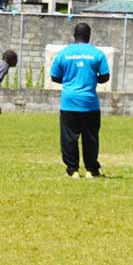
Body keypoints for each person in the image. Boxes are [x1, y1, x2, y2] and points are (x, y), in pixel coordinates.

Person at [50, 23, 110, 178]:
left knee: (69, 138)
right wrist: (92, 78)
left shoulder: (63, 54)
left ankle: (73, 170)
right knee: (90, 138)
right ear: (89, 36)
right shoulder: (97, 54)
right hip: (89, 103)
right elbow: (105, 76)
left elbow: (54, 77)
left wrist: (69, 80)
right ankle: (91, 170)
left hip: (69, 102)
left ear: (74, 35)